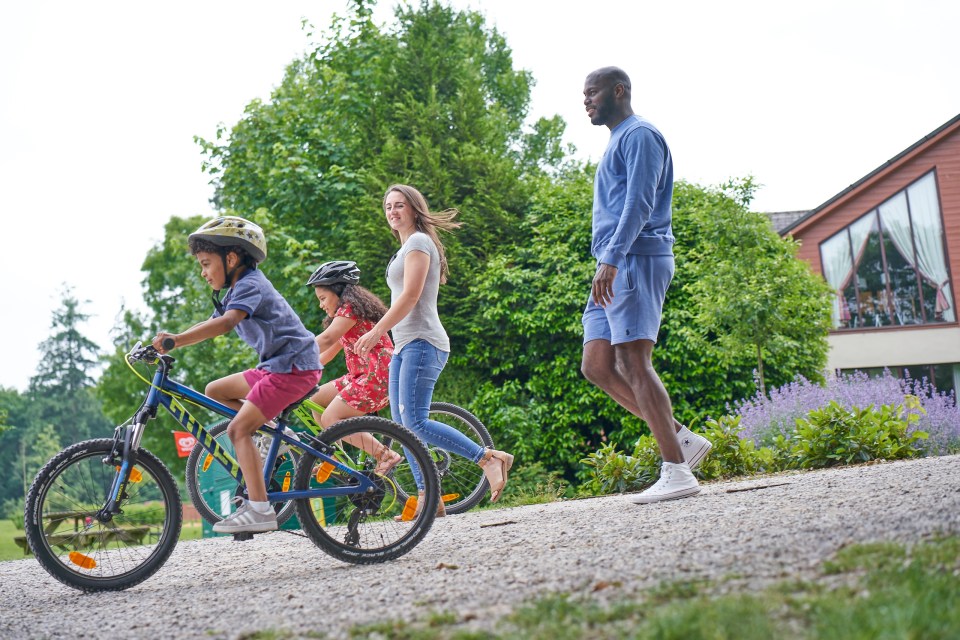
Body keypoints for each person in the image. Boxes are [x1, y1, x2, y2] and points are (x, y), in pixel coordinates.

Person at [579, 67, 712, 505]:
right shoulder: (618, 140)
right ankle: (680, 440)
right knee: (596, 364)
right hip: (613, 263)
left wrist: (612, 260)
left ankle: (677, 470)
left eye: (593, 92)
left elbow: (640, 202)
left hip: (633, 260)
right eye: (584, 94)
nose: (586, 100)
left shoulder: (640, 136)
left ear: (619, 91)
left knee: (634, 360)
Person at [353, 184, 514, 516]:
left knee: (416, 421)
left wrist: (376, 331)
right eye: (387, 207)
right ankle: (430, 497)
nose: (392, 211)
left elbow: (410, 297)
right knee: (402, 427)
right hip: (405, 345)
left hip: (424, 342)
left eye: (399, 205)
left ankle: (487, 457)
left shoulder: (419, 243)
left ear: (414, 209)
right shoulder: (403, 250)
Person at [153, 216, 321, 533]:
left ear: (231, 258)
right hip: (276, 366)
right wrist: (173, 339)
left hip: (293, 367)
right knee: (215, 389)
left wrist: (175, 340)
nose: (203, 273)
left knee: (238, 430)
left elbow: (226, 323)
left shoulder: (250, 285)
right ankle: (273, 434)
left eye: (206, 263)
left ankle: (260, 510)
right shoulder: (235, 290)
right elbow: (211, 324)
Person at [305, 260, 402, 474]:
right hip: (360, 376)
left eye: (323, 298)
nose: (321, 305)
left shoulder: (350, 311)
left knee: (331, 417)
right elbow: (326, 355)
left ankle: (384, 455)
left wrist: (292, 351)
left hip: (376, 377)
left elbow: (328, 338)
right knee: (316, 400)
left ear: (339, 292)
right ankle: (334, 455)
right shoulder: (344, 318)